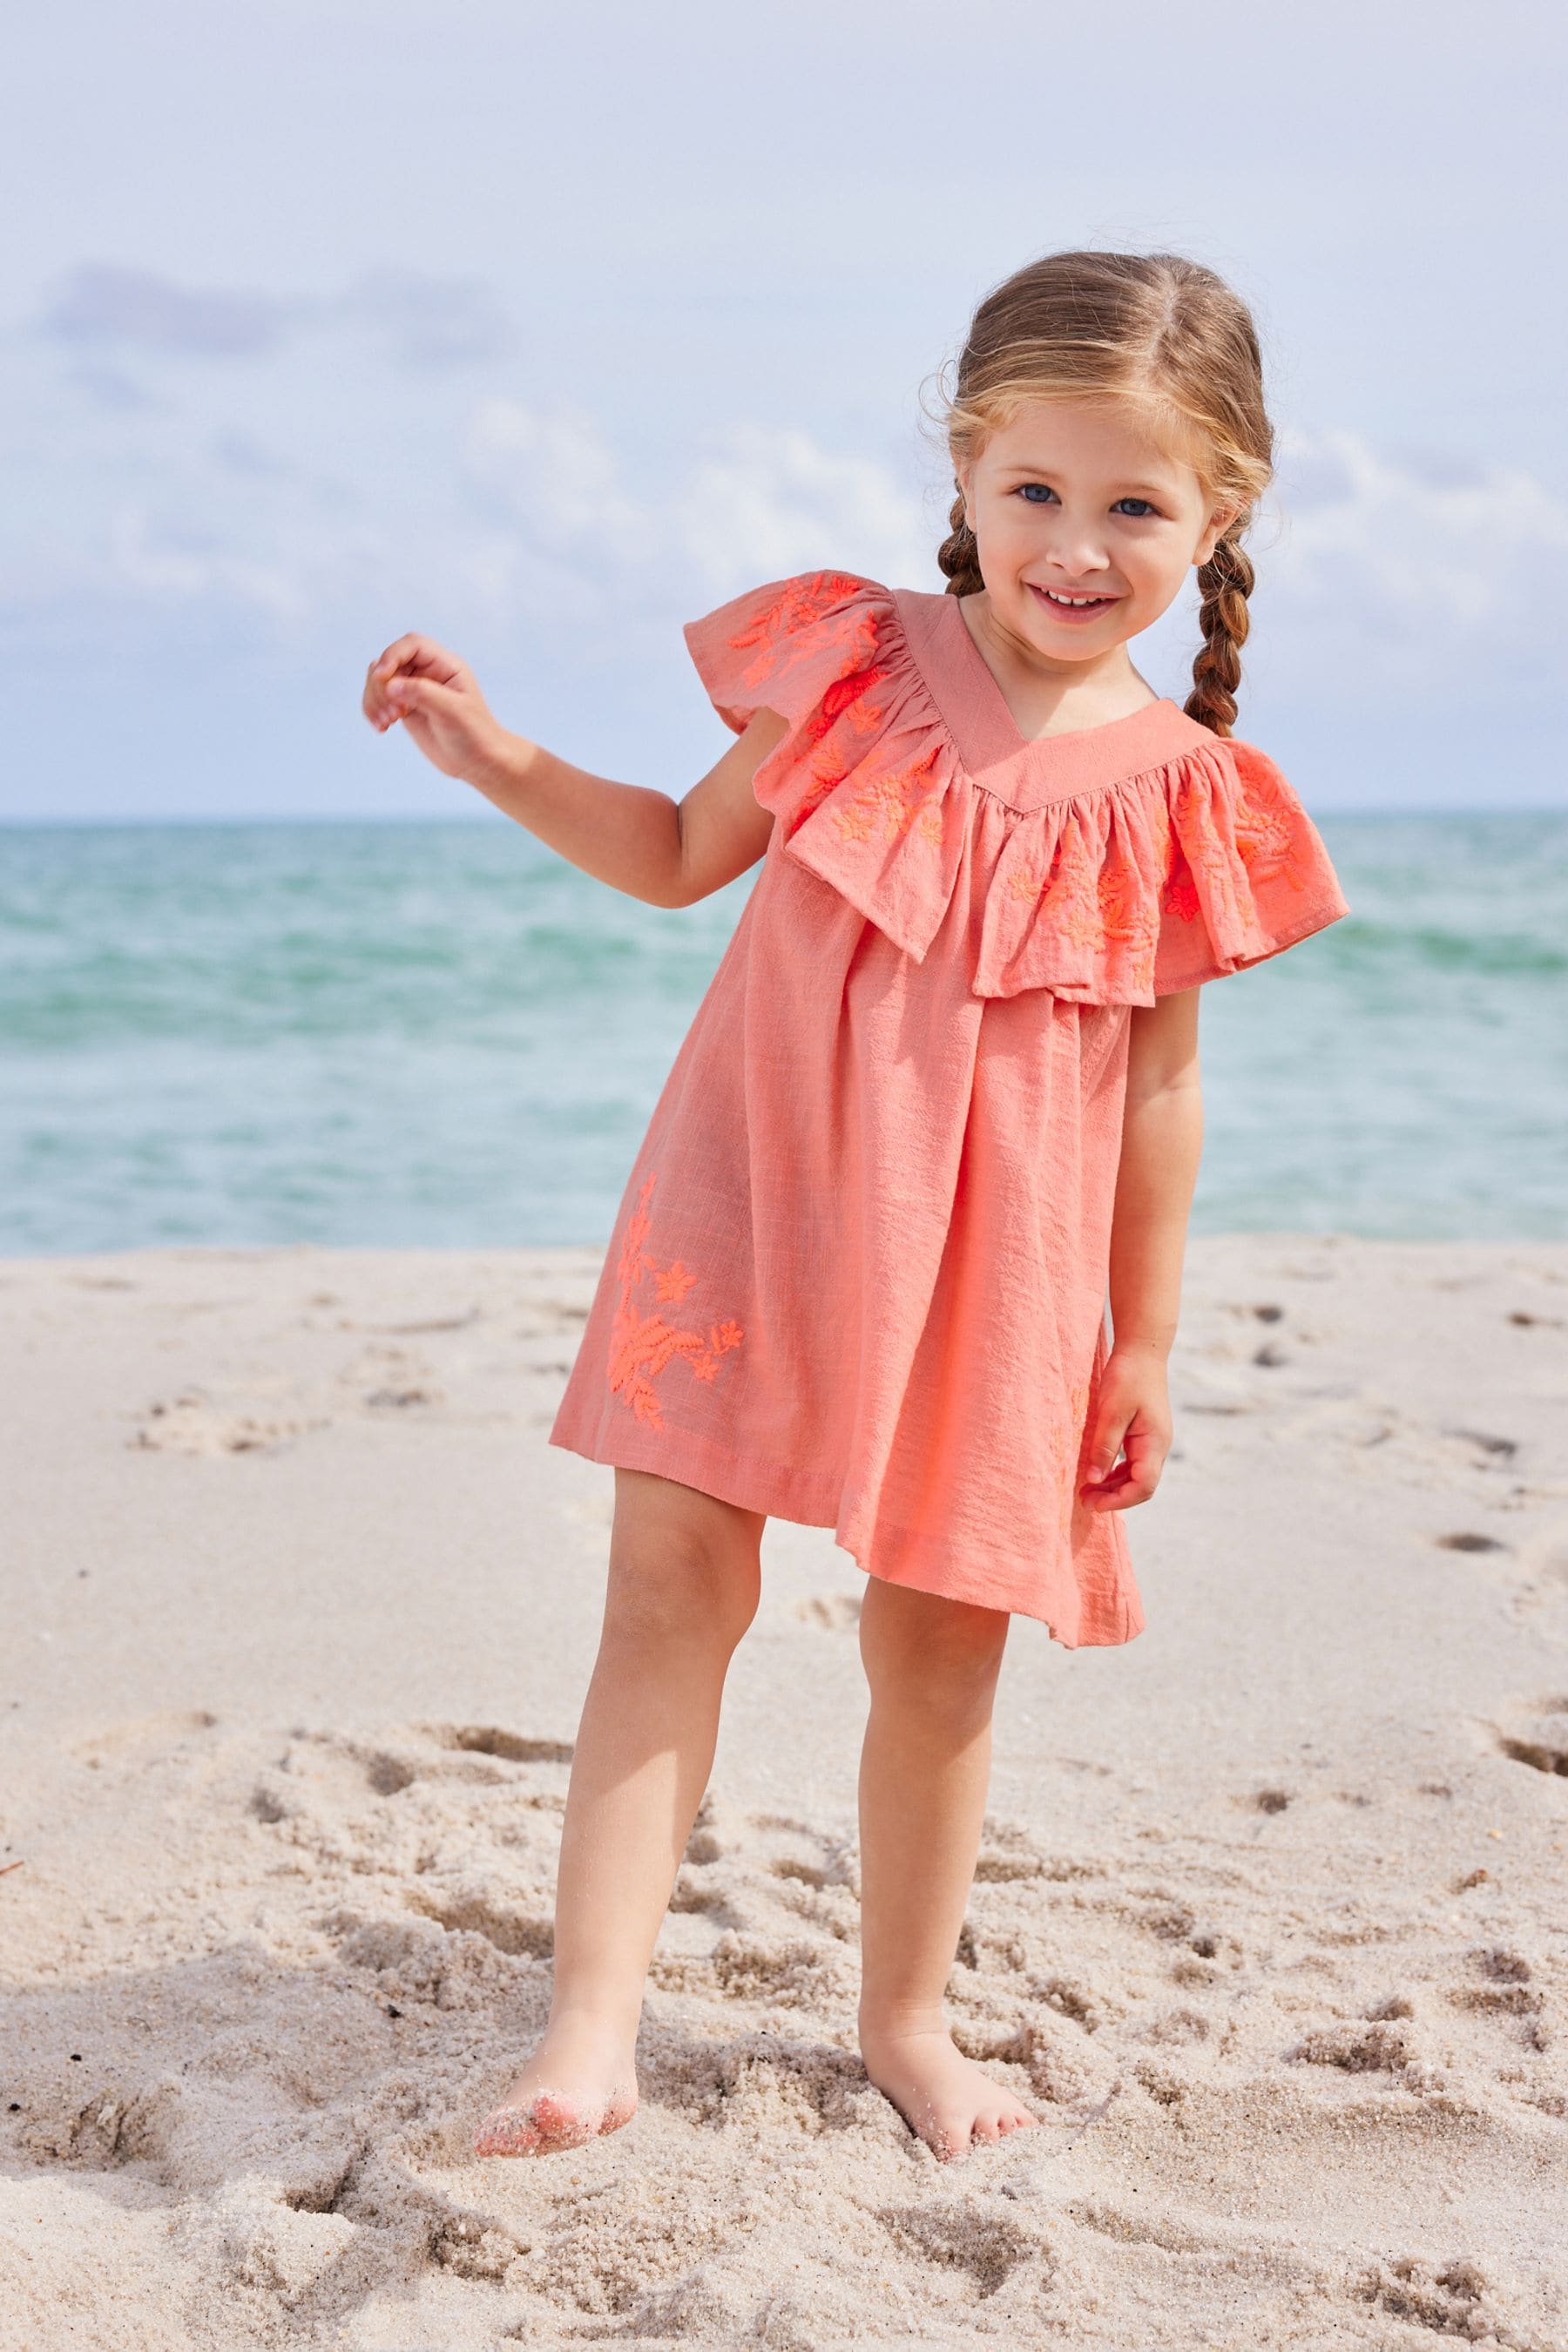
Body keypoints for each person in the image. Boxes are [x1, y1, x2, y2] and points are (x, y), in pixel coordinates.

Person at [360, 248, 1349, 2166]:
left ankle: (905, 2021)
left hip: (1009, 1267)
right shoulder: (856, 668)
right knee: (671, 1588)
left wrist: (1140, 1336)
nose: (1076, 546)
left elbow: (1161, 1085)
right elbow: (669, 856)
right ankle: (586, 2039)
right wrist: (492, 757)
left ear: (1220, 513)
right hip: (756, 1195)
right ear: (968, 473)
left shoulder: (1187, 793)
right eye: (1036, 494)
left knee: (941, 1645)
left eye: (1135, 506)